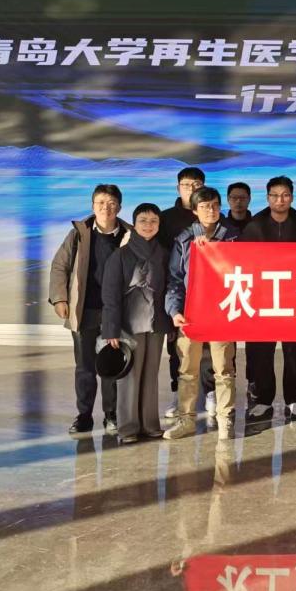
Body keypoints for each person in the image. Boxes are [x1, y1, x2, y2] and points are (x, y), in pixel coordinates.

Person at [49, 184, 129, 437]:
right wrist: (60, 299)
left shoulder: (129, 235)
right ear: (93, 206)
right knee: (84, 367)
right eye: (101, 203)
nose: (106, 208)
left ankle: (111, 414)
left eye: (111, 203)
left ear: (119, 207)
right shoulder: (79, 233)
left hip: (115, 313)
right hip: (84, 310)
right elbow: (59, 266)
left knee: (111, 365)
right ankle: (84, 415)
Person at [163, 187, 240, 441]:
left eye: (215, 205)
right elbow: (175, 279)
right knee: (187, 369)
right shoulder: (184, 239)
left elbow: (243, 271)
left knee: (224, 369)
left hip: (222, 313)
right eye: (205, 206)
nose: (211, 210)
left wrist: (216, 251)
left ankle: (225, 419)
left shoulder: (233, 238)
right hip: (191, 314)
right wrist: (174, 310)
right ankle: (186, 420)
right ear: (195, 211)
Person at [239, 176, 296, 422]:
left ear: (291, 197)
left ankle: (294, 398)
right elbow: (240, 261)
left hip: (294, 299)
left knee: (295, 351)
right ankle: (263, 399)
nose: (280, 200)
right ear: (267, 197)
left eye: (285, 195)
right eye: (274, 195)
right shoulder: (255, 226)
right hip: (262, 299)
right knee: (260, 350)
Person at [101, 202, 172, 443]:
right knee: (129, 378)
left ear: (159, 225)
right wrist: (111, 329)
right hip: (128, 325)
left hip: (156, 324)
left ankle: (150, 425)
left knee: (151, 376)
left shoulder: (164, 253)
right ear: (134, 224)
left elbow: (169, 290)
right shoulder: (120, 255)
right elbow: (110, 296)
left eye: (153, 221)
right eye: (143, 221)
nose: (148, 225)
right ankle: (128, 428)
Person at [159, 167, 212, 419]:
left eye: (197, 184)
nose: (191, 189)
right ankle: (177, 392)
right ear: (178, 188)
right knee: (177, 348)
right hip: (179, 292)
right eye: (186, 185)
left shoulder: (212, 214)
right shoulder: (165, 219)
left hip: (211, 296)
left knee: (211, 348)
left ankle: (210, 391)